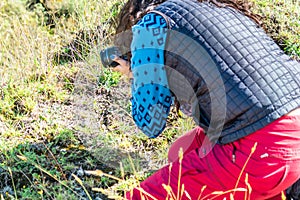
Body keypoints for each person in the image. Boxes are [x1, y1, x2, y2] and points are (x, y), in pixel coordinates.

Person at [110, 0, 300, 199]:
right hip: (287, 126)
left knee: (144, 196)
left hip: (264, 149)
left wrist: (136, 72)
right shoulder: (218, 8)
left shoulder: (150, 26)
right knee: (181, 151)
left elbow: (150, 123)